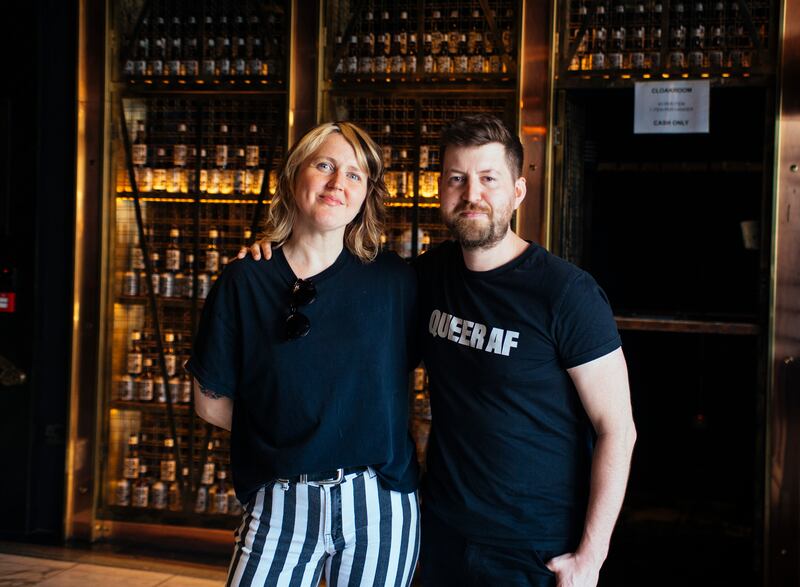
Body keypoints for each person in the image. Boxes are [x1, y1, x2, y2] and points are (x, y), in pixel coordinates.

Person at [242, 114, 637, 587]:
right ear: (440, 190)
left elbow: (618, 429)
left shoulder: (566, 293)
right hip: (441, 529)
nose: (472, 194)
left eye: (489, 179)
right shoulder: (426, 277)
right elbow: (346, 305)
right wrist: (276, 261)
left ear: (517, 192)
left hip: (534, 547)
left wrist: (590, 557)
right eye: (457, 179)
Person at [187, 121, 420, 587]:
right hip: (281, 498)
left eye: (355, 175)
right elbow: (209, 402)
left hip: (378, 502)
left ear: (366, 194)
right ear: (295, 176)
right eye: (325, 165)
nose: (339, 183)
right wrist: (292, 435)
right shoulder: (245, 280)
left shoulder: (395, 281)